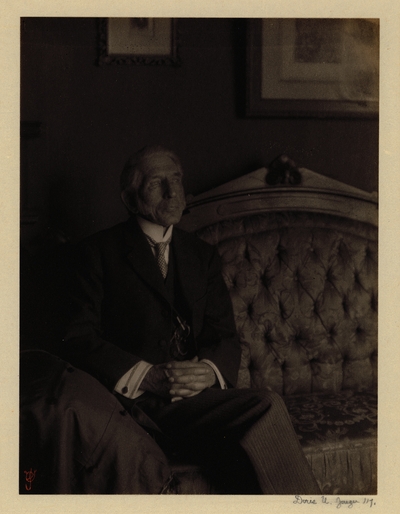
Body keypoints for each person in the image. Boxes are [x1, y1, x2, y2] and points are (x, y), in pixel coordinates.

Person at [61, 145, 320, 494]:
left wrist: (208, 371)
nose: (173, 193)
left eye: (177, 180)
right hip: (131, 404)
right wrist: (147, 376)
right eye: (157, 183)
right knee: (265, 406)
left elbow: (225, 336)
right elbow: (77, 340)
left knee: (257, 417)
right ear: (129, 197)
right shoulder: (96, 253)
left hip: (194, 403)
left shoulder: (201, 255)